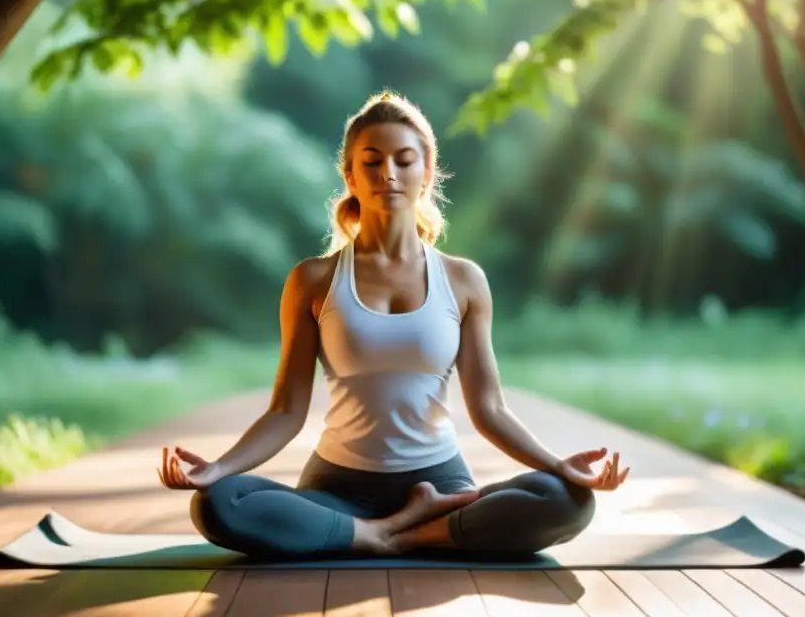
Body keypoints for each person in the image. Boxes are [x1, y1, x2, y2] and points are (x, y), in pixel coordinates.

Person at [156, 90, 630, 559]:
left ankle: (382, 536)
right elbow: (285, 412)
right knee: (219, 504)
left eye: (404, 160)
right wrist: (217, 469)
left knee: (566, 501)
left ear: (426, 173)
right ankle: (403, 531)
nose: (388, 173)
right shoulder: (313, 281)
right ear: (350, 176)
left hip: (441, 482)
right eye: (372, 161)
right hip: (338, 487)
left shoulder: (463, 280)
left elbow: (490, 408)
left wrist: (558, 465)